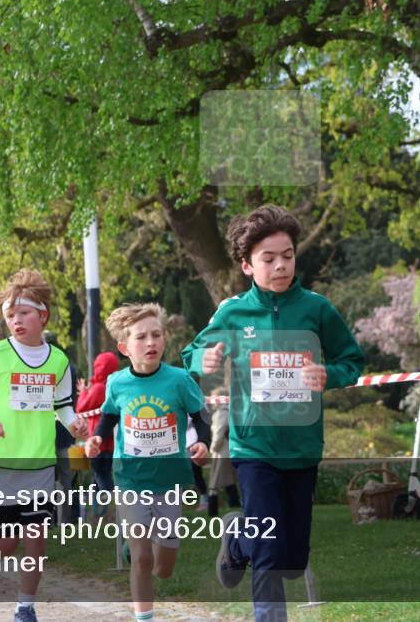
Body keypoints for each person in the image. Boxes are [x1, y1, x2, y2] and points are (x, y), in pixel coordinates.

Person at [182, 205, 365, 622]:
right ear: (247, 265)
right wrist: (204, 359)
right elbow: (193, 351)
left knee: (292, 559)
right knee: (269, 548)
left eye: (287, 255)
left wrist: (328, 374)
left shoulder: (317, 309)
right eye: (268, 258)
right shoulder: (233, 312)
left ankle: (235, 540)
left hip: (301, 446)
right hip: (253, 446)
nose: (280, 265)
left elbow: (352, 361)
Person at [0, 268, 88, 622]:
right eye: (10, 315)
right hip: (0, 463)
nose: (16, 320)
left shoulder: (59, 361)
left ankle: (24, 606)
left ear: (42, 315)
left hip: (39, 463)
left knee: (37, 540)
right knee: (6, 543)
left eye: (24, 313)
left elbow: (62, 405)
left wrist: (74, 422)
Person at [85, 303, 210, 622]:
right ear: (125, 347)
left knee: (164, 568)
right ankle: (145, 618)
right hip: (130, 478)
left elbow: (200, 417)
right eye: (142, 337)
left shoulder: (180, 380)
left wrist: (204, 444)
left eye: (157, 335)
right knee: (141, 558)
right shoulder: (117, 383)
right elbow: (110, 414)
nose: (151, 342)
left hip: (169, 480)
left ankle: (143, 550)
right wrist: (98, 437)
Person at [75, 350, 119, 515]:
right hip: (110, 440)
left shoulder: (99, 387)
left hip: (97, 439)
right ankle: (99, 510)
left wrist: (84, 392)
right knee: (102, 473)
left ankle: (109, 508)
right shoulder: (113, 385)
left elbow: (81, 408)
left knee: (100, 474)